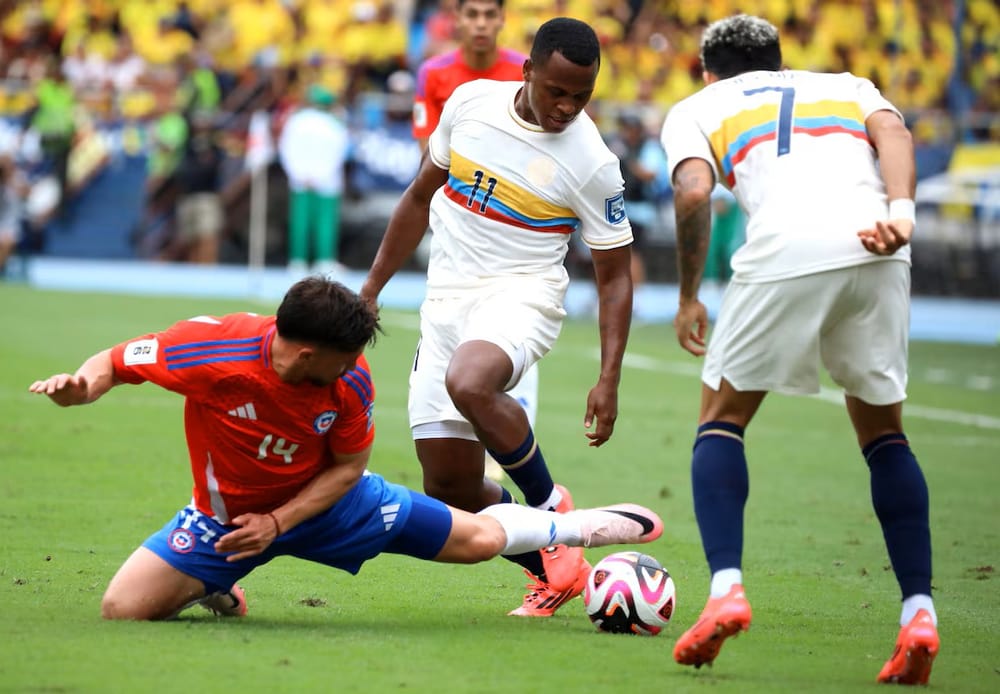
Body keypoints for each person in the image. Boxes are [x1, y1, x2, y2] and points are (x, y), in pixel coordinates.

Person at [28, 276, 662, 621]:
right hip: (224, 522)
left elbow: (351, 466)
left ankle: (578, 526)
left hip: (334, 504)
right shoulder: (210, 351)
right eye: (343, 359)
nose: (355, 370)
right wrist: (82, 387)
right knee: (123, 609)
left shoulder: (349, 381)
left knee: (480, 542)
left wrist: (278, 521)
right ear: (305, 353)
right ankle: (217, 588)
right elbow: (113, 362)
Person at [658, 14, 937, 685]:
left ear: (707, 69)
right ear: (781, 62)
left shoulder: (698, 106)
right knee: (884, 434)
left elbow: (695, 190)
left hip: (786, 247)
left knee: (721, 420)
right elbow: (895, 133)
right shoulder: (848, 84)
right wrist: (902, 214)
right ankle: (918, 612)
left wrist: (689, 294)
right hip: (880, 241)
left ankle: (726, 588)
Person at [361, 17, 635, 618]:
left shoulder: (592, 162)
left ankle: (550, 507)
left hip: (523, 295)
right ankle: (551, 568)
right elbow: (417, 197)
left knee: (471, 381)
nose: (567, 107)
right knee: (449, 487)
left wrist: (609, 375)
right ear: (527, 70)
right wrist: (373, 287)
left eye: (581, 96)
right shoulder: (469, 105)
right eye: (556, 90)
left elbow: (615, 274)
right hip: (446, 302)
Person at [411, 0, 538, 483]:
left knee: (513, 319)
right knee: (453, 314)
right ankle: (454, 430)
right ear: (456, 20)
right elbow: (429, 151)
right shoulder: (435, 74)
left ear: (502, 20)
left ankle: (505, 443)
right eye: (473, 15)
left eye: (490, 15)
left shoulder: (521, 70)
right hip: (455, 215)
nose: (481, 24)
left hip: (517, 217)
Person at [277, 83, 351, 276]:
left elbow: (286, 149)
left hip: (301, 179)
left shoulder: (295, 121)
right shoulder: (335, 123)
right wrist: (321, 175)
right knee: (324, 223)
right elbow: (340, 153)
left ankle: (297, 261)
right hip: (326, 180)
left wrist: (298, 174)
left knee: (300, 221)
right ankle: (324, 261)